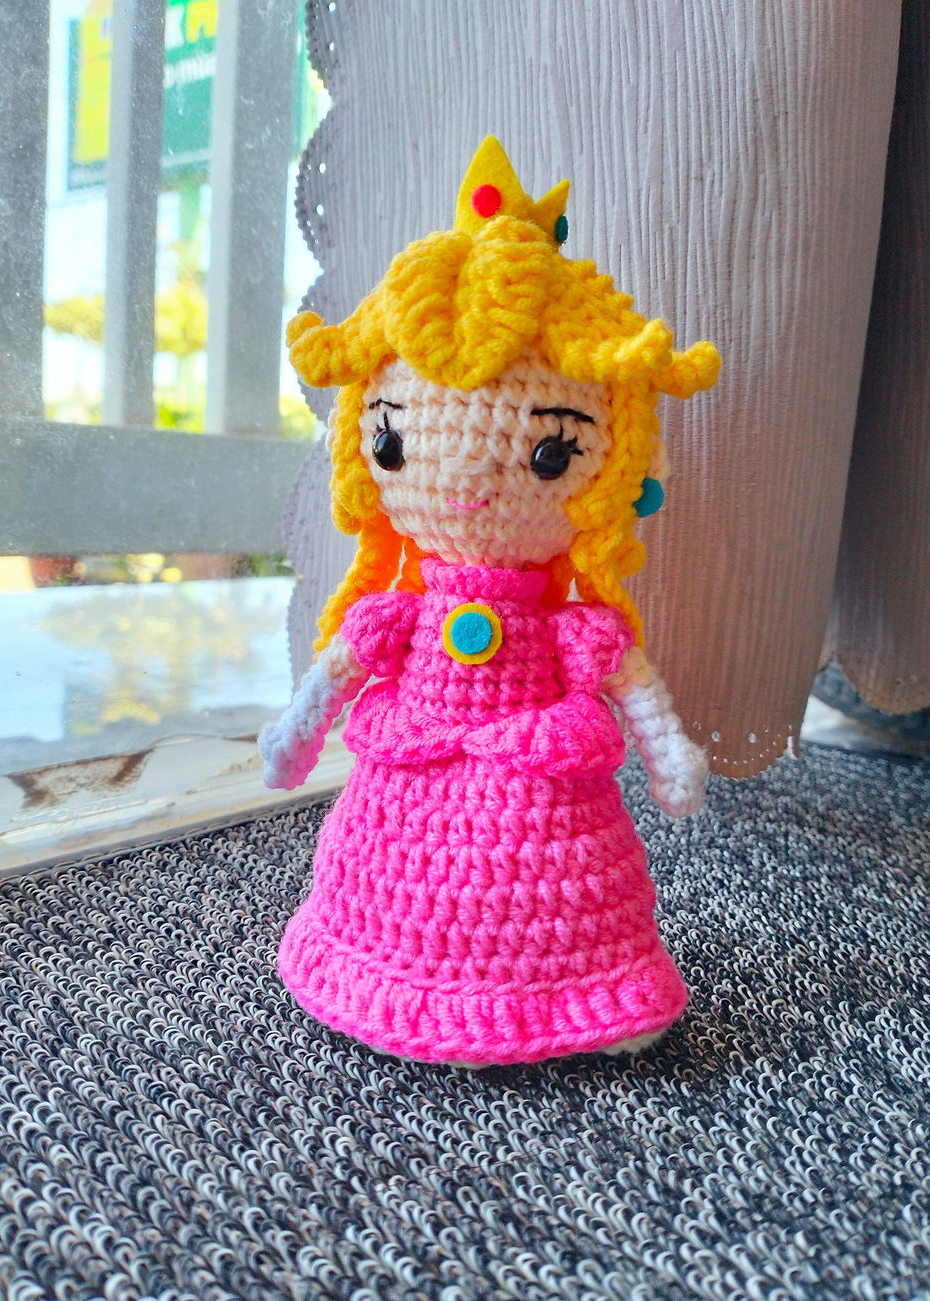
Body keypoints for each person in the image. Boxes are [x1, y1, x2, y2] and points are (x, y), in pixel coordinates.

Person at [260, 137, 720, 1065]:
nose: (467, 483)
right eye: (394, 445)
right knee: (383, 869)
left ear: (613, 463)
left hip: (539, 780)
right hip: (413, 771)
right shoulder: (403, 612)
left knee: (568, 883)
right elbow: (343, 664)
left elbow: (626, 675)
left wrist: (669, 752)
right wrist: (297, 728)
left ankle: (579, 988)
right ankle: (382, 967)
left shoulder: (567, 627)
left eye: (551, 452)